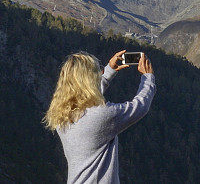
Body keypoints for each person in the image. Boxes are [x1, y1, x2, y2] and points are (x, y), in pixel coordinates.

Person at [43, 50, 155, 184]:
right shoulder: (101, 115)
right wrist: (148, 78)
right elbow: (140, 106)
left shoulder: (62, 116)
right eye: (98, 71)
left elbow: (86, 99)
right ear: (89, 80)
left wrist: (109, 70)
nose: (101, 73)